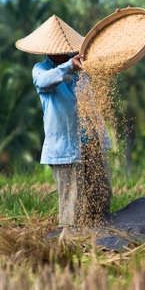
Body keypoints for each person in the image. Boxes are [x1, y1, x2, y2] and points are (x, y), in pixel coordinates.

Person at [15, 15, 112, 228]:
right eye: (54, 50)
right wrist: (70, 66)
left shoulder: (84, 67)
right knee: (72, 204)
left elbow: (109, 56)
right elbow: (45, 82)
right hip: (65, 149)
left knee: (101, 197)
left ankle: (100, 242)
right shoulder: (42, 70)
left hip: (92, 142)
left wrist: (117, 27)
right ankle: (70, 244)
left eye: (63, 50)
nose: (59, 53)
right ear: (47, 51)